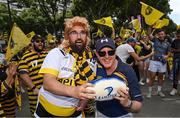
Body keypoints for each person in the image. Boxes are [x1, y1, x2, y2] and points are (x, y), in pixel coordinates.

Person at [34, 16, 96, 117]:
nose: (79, 36)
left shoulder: (90, 60)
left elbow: (89, 84)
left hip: (75, 112)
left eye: (83, 32)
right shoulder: (57, 53)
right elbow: (48, 83)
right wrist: (75, 91)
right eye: (74, 32)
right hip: (46, 112)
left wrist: (84, 101)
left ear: (87, 37)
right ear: (67, 37)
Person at [93, 37, 142, 117]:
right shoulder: (94, 68)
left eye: (111, 52)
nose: (107, 56)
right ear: (97, 54)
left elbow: (138, 106)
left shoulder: (127, 71)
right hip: (100, 114)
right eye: (102, 53)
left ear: (115, 52)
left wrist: (128, 103)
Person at [18, 35, 48, 115]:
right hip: (35, 94)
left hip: (49, 92)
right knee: (37, 113)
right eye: (37, 41)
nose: (40, 43)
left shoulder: (47, 54)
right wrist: (34, 88)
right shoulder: (25, 57)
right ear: (32, 43)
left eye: (42, 41)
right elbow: (23, 74)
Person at [147, 29, 171, 98]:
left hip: (162, 62)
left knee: (161, 77)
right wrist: (150, 26)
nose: (161, 35)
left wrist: (167, 56)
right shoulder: (155, 40)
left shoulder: (167, 43)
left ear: (164, 35)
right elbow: (149, 35)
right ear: (158, 35)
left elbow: (169, 52)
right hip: (154, 61)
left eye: (162, 34)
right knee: (152, 77)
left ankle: (159, 91)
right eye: (159, 34)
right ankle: (149, 92)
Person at [169, 29, 180, 95]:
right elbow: (171, 49)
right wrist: (177, 50)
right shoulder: (174, 41)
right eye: (177, 35)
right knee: (175, 74)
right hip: (176, 59)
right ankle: (174, 89)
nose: (178, 36)